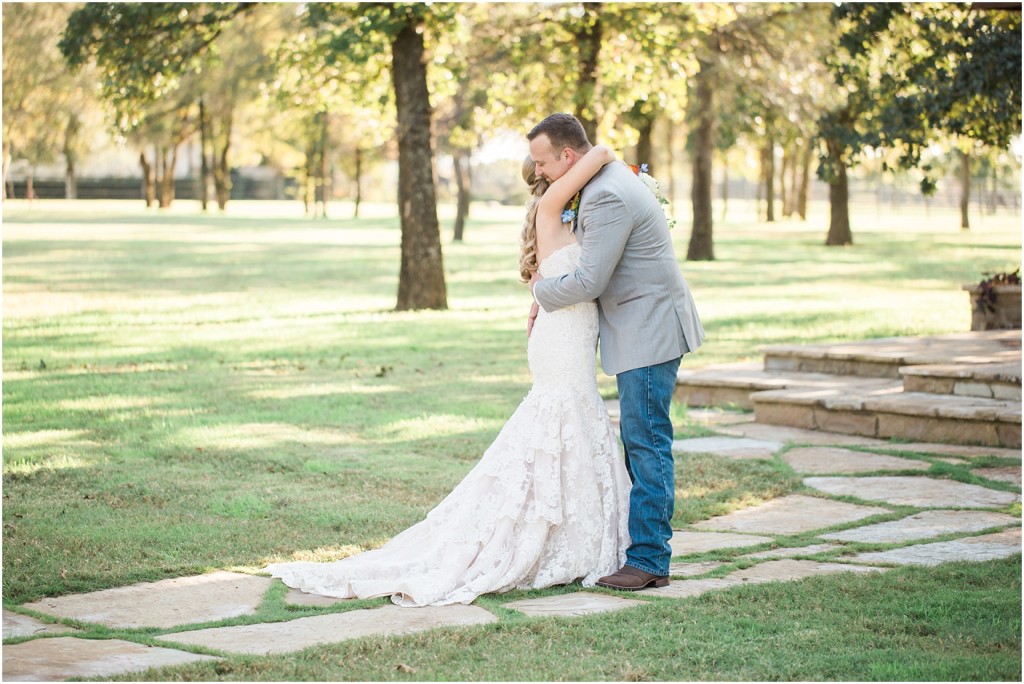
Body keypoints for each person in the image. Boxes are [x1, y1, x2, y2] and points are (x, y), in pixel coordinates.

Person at [266, 144, 632, 607]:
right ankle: (541, 536)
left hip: (571, 332)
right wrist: (620, 166)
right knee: (559, 416)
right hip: (561, 336)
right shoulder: (551, 205)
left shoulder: (568, 216)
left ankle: (572, 531)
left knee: (573, 418)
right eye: (542, 166)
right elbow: (599, 152)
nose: (547, 171)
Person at [528, 113, 704, 591]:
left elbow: (590, 280)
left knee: (647, 444)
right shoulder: (605, 177)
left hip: (648, 330)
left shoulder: (605, 193)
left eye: (543, 162)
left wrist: (541, 292)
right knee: (642, 441)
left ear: (567, 156)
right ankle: (642, 549)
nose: (539, 171)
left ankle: (649, 560)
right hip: (645, 323)